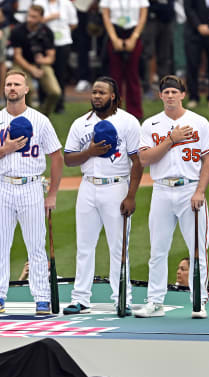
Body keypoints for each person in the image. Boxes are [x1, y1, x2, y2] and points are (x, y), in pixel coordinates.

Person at [0, 69, 63, 315]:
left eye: (17, 84)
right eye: (8, 84)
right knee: (0, 245)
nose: (12, 88)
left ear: (27, 89)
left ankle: (42, 298)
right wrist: (5, 149)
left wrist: (52, 194)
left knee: (36, 246)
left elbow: (56, 157)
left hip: (32, 186)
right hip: (2, 186)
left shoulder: (40, 121)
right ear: (3, 90)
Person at [134, 75, 209, 319]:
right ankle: (155, 302)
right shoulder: (150, 124)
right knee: (158, 249)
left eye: (174, 91)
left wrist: (200, 191)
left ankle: (199, 302)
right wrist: (171, 139)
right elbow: (145, 159)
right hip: (161, 189)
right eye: (166, 92)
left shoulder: (199, 122)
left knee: (198, 249)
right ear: (160, 96)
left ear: (183, 94)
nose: (170, 95)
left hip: (189, 189)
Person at [62, 76, 143, 314]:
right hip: (87, 186)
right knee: (84, 245)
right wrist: (90, 152)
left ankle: (122, 298)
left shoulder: (129, 122)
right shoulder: (80, 123)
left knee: (118, 246)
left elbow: (137, 162)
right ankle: (80, 298)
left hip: (116, 186)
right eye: (94, 92)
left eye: (101, 93)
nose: (96, 96)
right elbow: (68, 159)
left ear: (113, 97)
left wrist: (131, 195)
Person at [9, 5, 61, 117]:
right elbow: (17, 56)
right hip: (22, 64)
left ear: (41, 18)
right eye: (29, 16)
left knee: (55, 92)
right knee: (28, 90)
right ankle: (27, 116)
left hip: (40, 64)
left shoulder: (47, 32)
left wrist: (43, 60)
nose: (29, 19)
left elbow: (51, 57)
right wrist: (31, 69)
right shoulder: (18, 31)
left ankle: (44, 116)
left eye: (33, 17)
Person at [100, 0, 147, 120]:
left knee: (133, 75)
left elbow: (143, 16)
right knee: (115, 76)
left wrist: (134, 37)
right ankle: (113, 110)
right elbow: (106, 16)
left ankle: (135, 113)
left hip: (133, 33)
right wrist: (114, 39)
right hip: (115, 32)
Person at [32, 0, 77, 113]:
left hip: (63, 42)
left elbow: (73, 23)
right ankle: (43, 102)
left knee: (61, 73)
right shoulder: (39, 2)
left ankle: (59, 105)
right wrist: (50, 18)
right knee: (43, 72)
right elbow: (33, 20)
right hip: (44, 43)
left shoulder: (66, 3)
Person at [183, 0, 209, 109]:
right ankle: (193, 97)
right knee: (192, 65)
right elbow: (189, 9)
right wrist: (199, 26)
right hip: (193, 33)